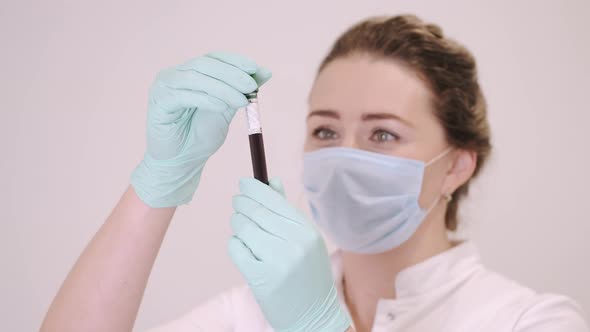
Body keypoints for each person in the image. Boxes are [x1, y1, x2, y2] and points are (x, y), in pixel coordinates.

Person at [40, 14, 588, 332]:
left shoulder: (527, 321)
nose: (344, 155)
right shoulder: (252, 314)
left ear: (458, 166)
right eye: (325, 131)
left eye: (382, 134)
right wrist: (159, 180)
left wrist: (319, 326)